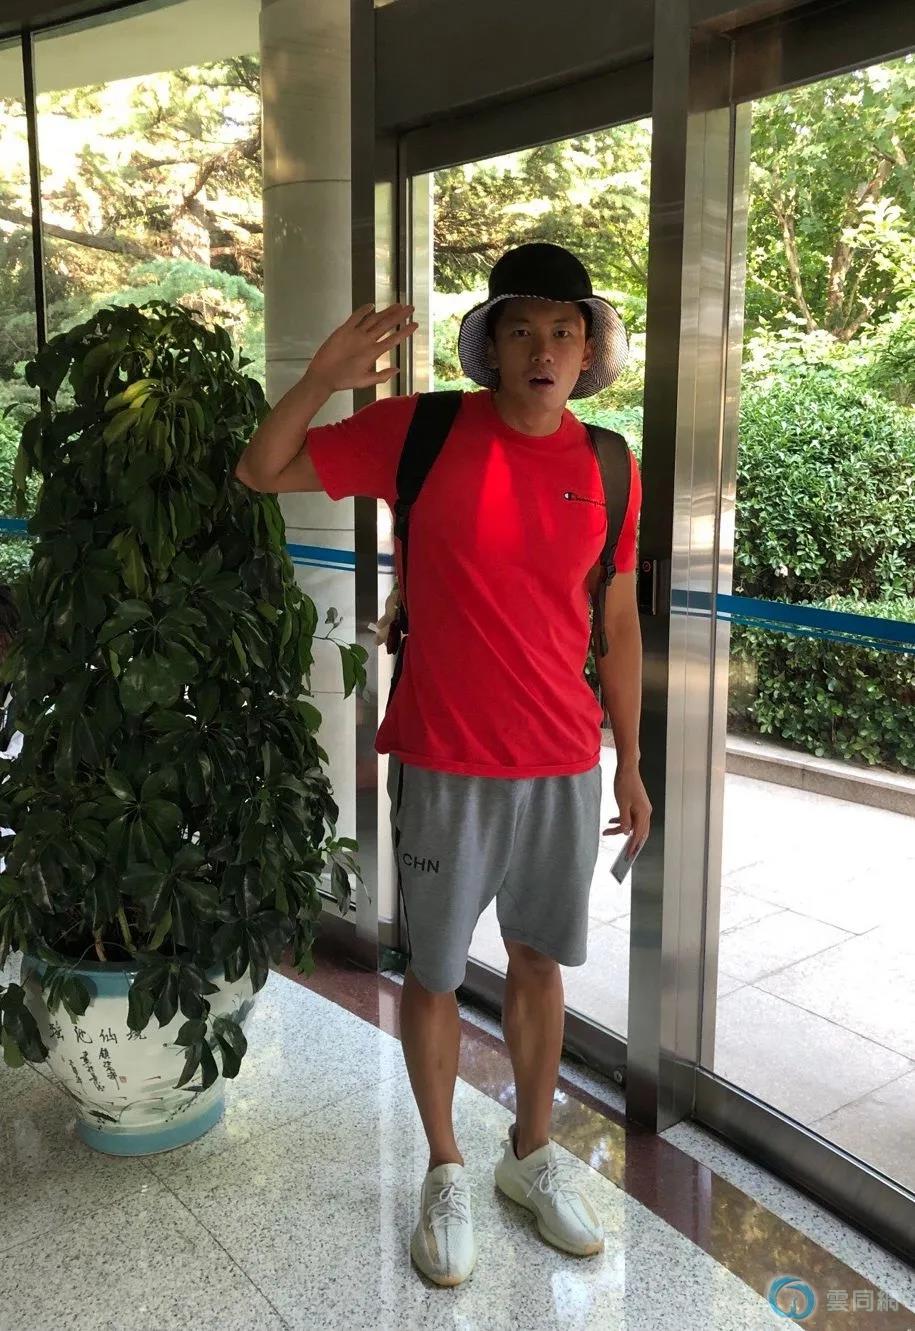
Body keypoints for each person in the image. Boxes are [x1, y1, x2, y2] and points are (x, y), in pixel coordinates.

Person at [235, 242, 652, 1288]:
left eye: (564, 330)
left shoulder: (610, 464)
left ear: (588, 351)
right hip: (444, 754)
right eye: (522, 329)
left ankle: (530, 1154)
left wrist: (632, 762)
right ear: (492, 348)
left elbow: (617, 623)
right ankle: (446, 1166)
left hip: (561, 760)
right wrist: (323, 376)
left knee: (540, 963)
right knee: (433, 971)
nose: (544, 348)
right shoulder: (420, 432)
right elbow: (261, 468)